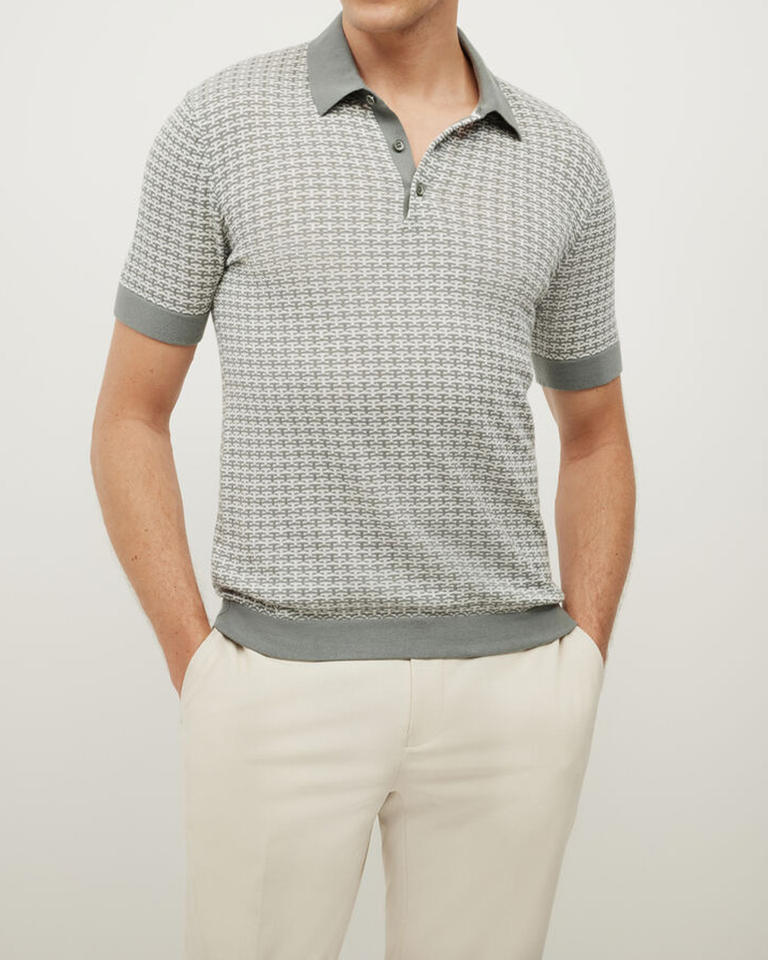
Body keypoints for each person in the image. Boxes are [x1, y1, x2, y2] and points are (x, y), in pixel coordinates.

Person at [90, 1, 635, 956]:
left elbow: (595, 438)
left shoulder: (562, 160)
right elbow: (130, 416)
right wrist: (200, 663)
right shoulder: (218, 126)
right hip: (277, 686)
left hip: (508, 696)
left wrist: (579, 661)